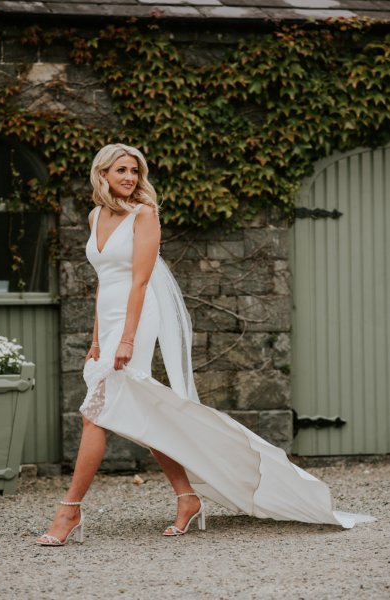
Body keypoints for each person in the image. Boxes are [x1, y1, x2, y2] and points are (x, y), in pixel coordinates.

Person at [36, 144, 375, 546]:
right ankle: (187, 497)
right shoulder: (95, 216)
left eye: (135, 171)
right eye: (122, 170)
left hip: (137, 320)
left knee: (96, 413)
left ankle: (69, 510)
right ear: (102, 174)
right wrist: (96, 339)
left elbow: (140, 283)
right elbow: (103, 284)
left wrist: (127, 338)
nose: (130, 177)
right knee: (139, 412)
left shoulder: (144, 215)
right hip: (108, 322)